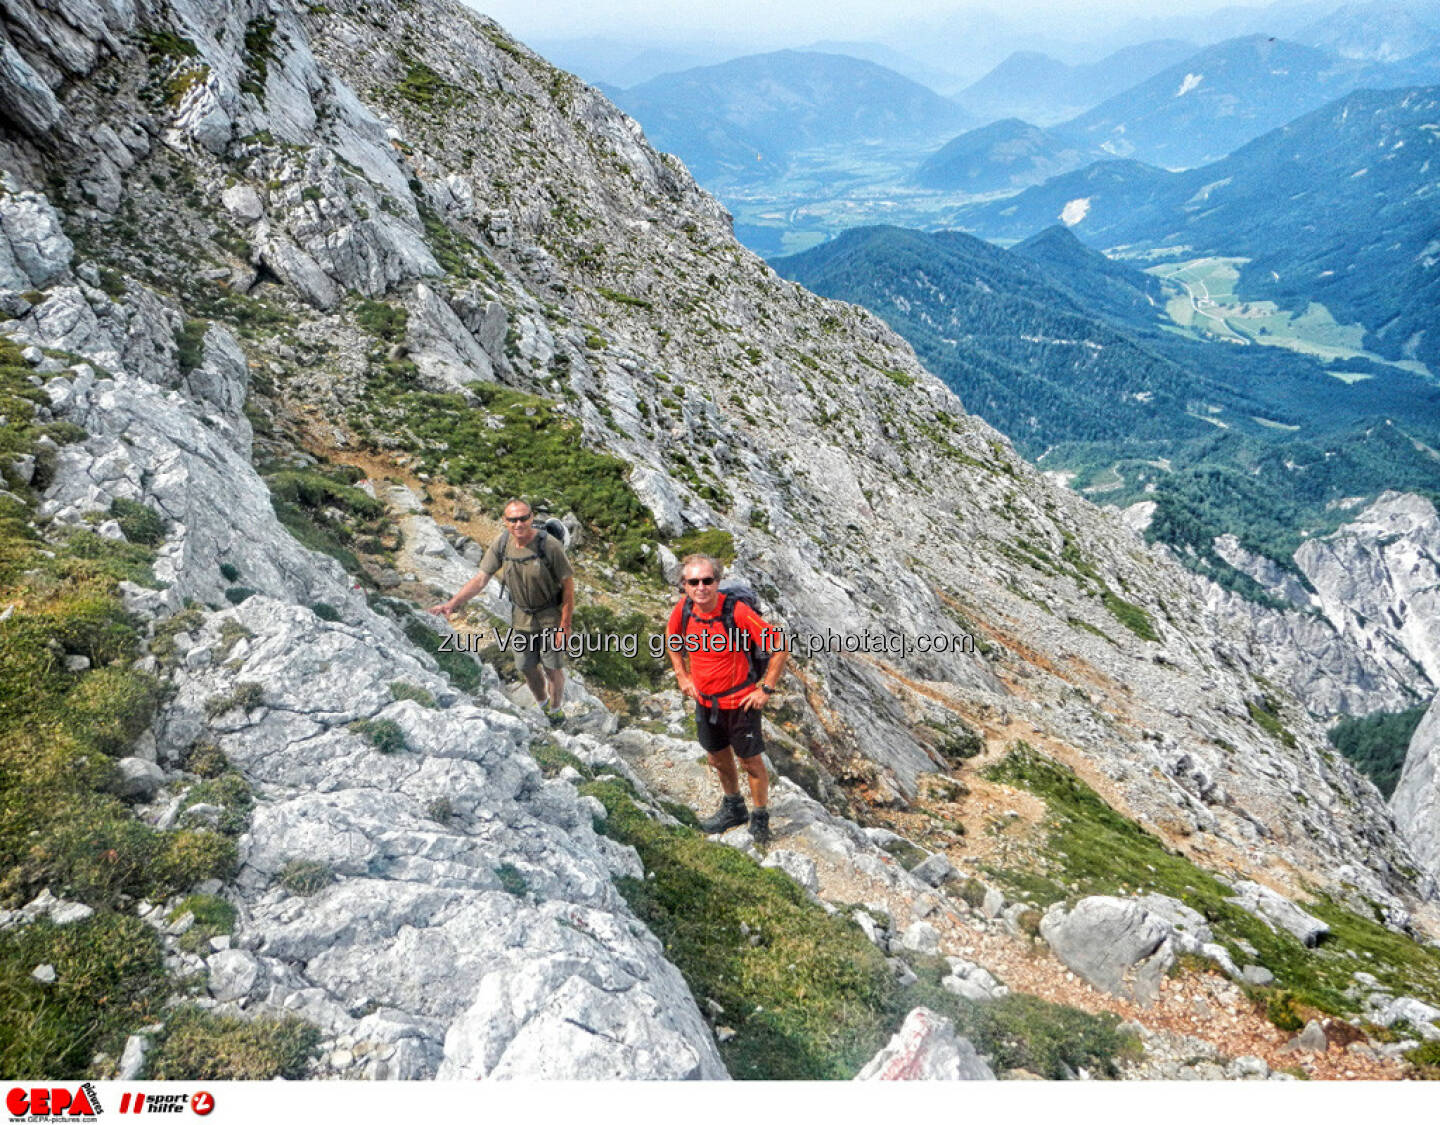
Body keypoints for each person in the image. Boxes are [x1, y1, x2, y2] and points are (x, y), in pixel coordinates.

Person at [666, 553, 788, 845]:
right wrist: (682, 676)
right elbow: (673, 639)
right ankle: (734, 807)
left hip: (740, 702)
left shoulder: (737, 612)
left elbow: (779, 646)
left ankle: (760, 818)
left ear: (717, 582)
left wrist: (766, 689)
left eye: (707, 581)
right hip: (706, 701)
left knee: (751, 763)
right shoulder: (684, 609)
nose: (701, 587)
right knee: (717, 757)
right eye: (693, 581)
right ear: (684, 585)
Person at [430, 499, 574, 722]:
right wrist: (452, 604)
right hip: (521, 615)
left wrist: (564, 626)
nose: (519, 524)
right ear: (505, 521)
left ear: (531, 518)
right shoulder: (503, 542)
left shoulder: (550, 546)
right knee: (525, 666)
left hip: (549, 617)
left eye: (523, 518)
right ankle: (543, 704)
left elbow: (568, 588)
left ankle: (556, 712)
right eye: (513, 519)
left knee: (552, 667)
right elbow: (480, 580)